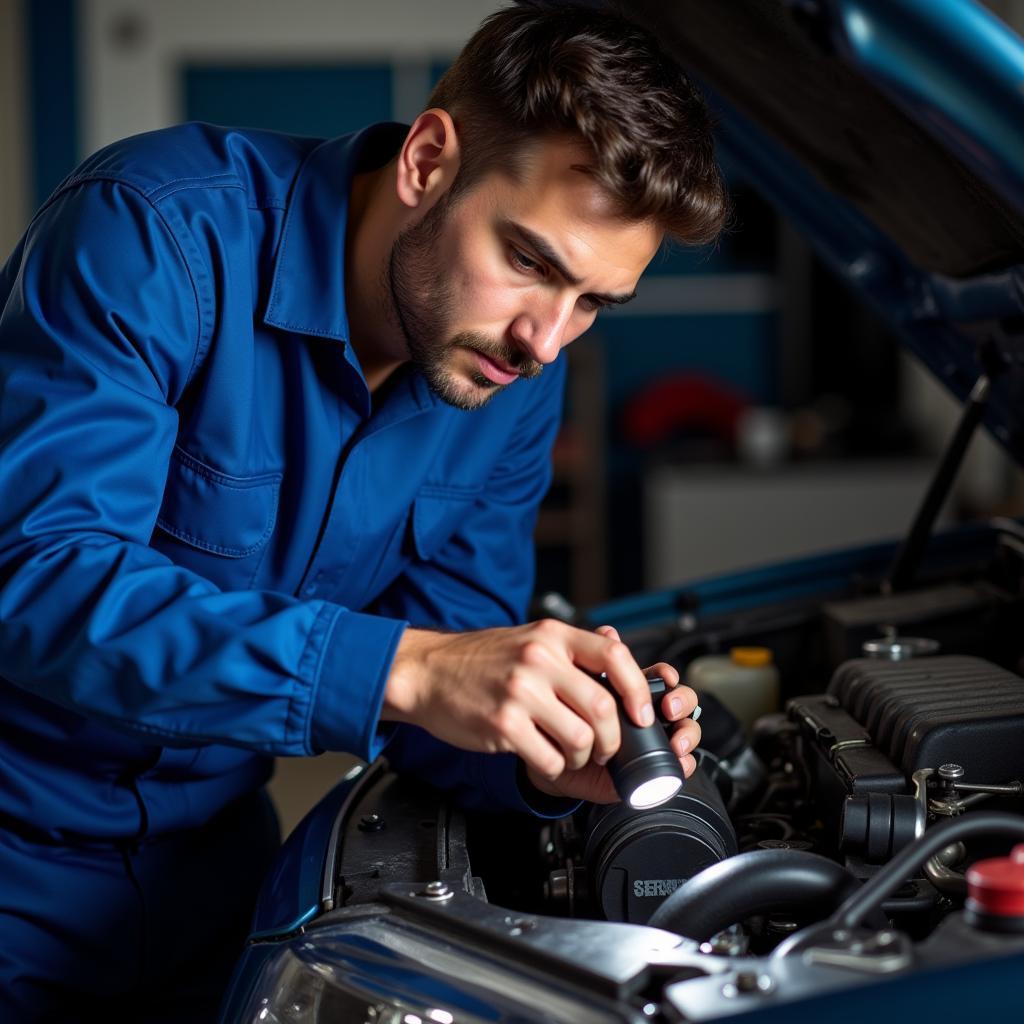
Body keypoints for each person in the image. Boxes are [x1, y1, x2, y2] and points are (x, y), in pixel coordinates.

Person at [0, 1, 726, 1018]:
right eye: (530, 262)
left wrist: (548, 754)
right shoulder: (153, 230)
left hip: (218, 877)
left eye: (595, 300)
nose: (545, 340)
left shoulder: (509, 378)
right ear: (428, 162)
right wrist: (408, 663)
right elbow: (37, 577)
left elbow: (443, 692)